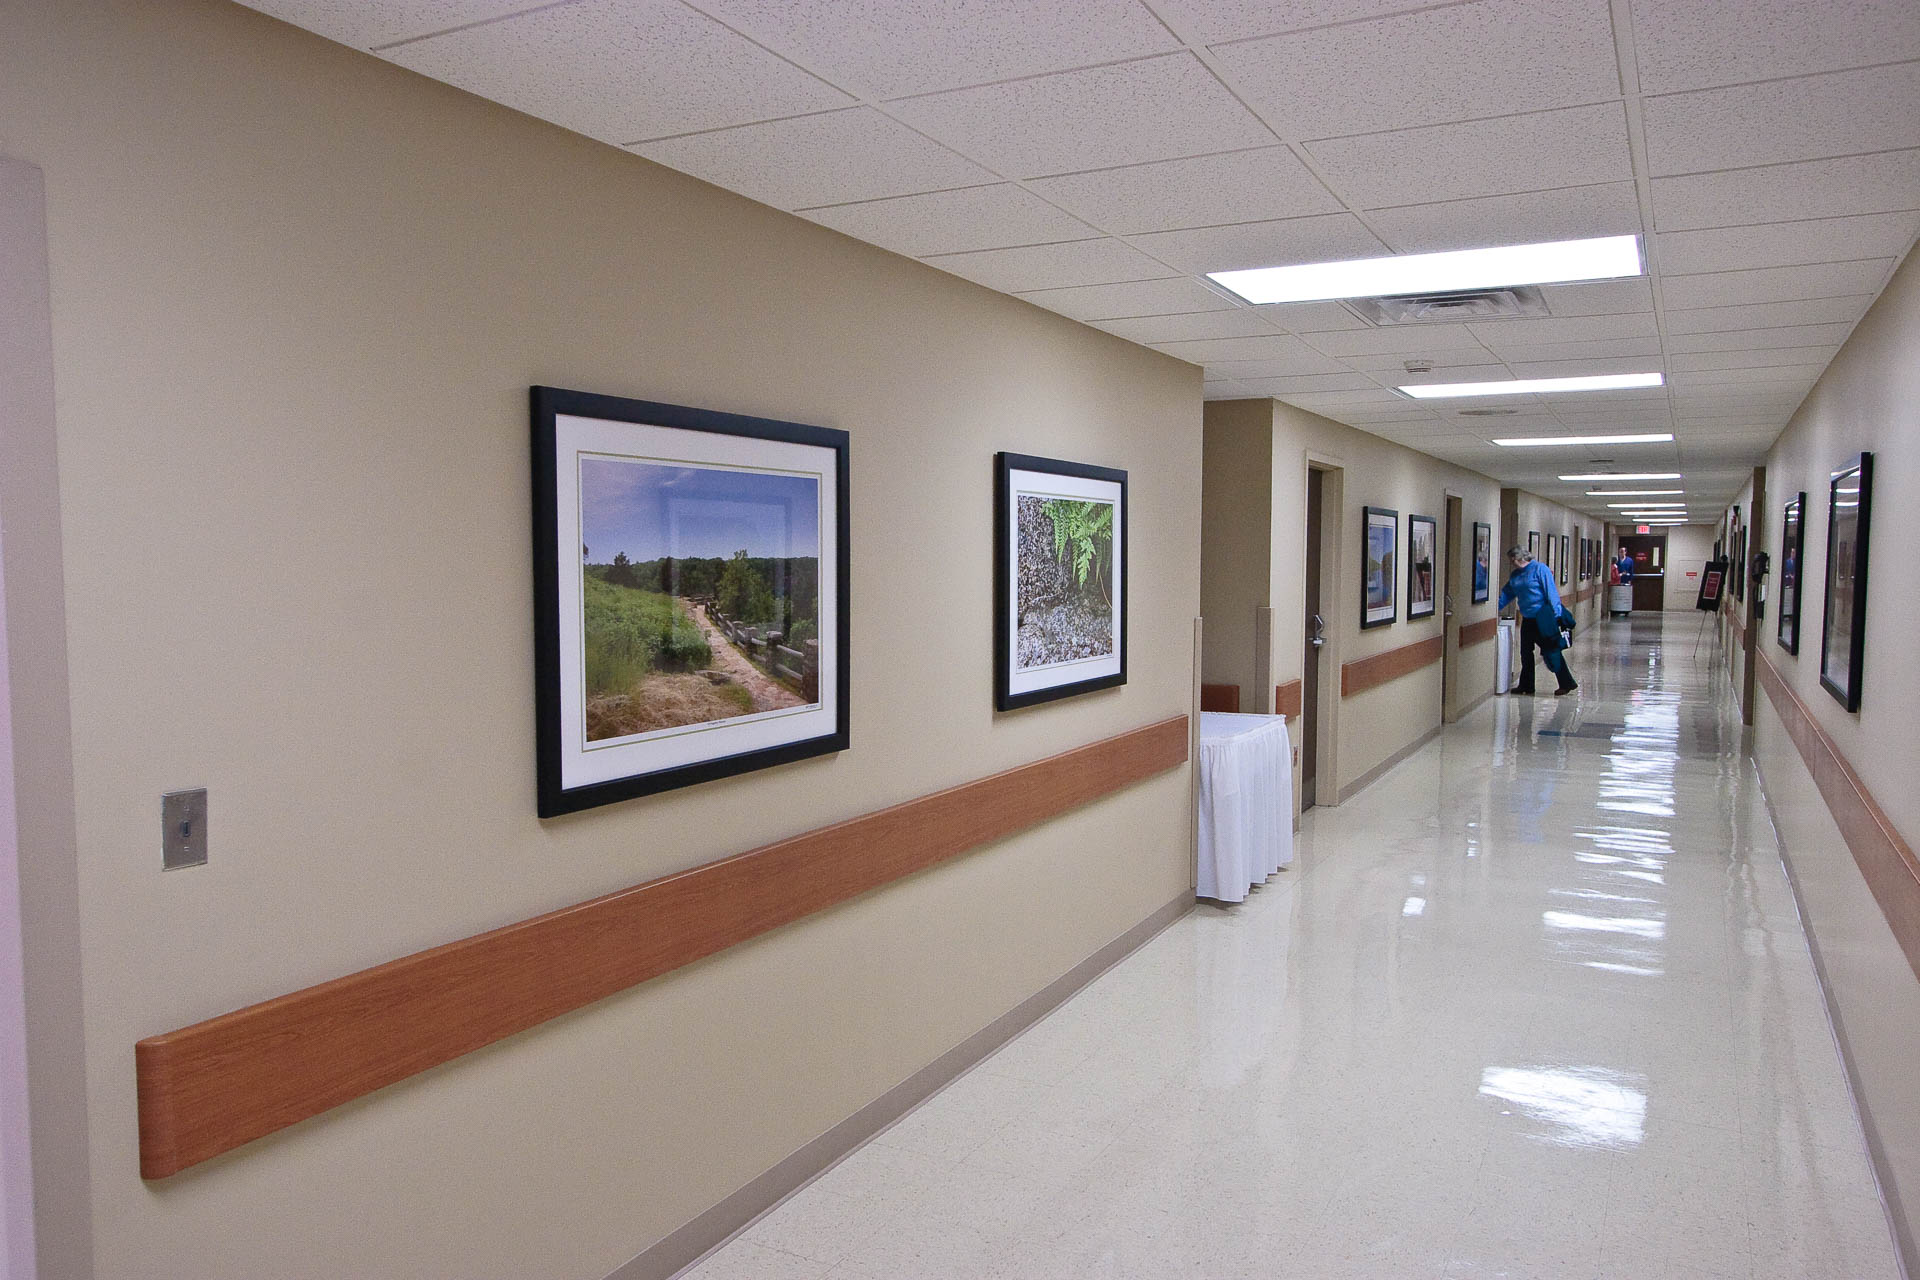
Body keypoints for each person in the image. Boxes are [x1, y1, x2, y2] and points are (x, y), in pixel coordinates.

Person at [1499, 547, 1578, 696]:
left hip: (1543, 618)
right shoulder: (1516, 575)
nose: (1511, 563)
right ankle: (1526, 685)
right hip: (1527, 618)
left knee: (1551, 650)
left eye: (1512, 559)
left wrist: (1557, 616)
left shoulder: (1540, 569)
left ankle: (1567, 683)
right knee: (1525, 653)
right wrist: (1495, 607)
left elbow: (1551, 592)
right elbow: (1508, 593)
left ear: (1520, 558)